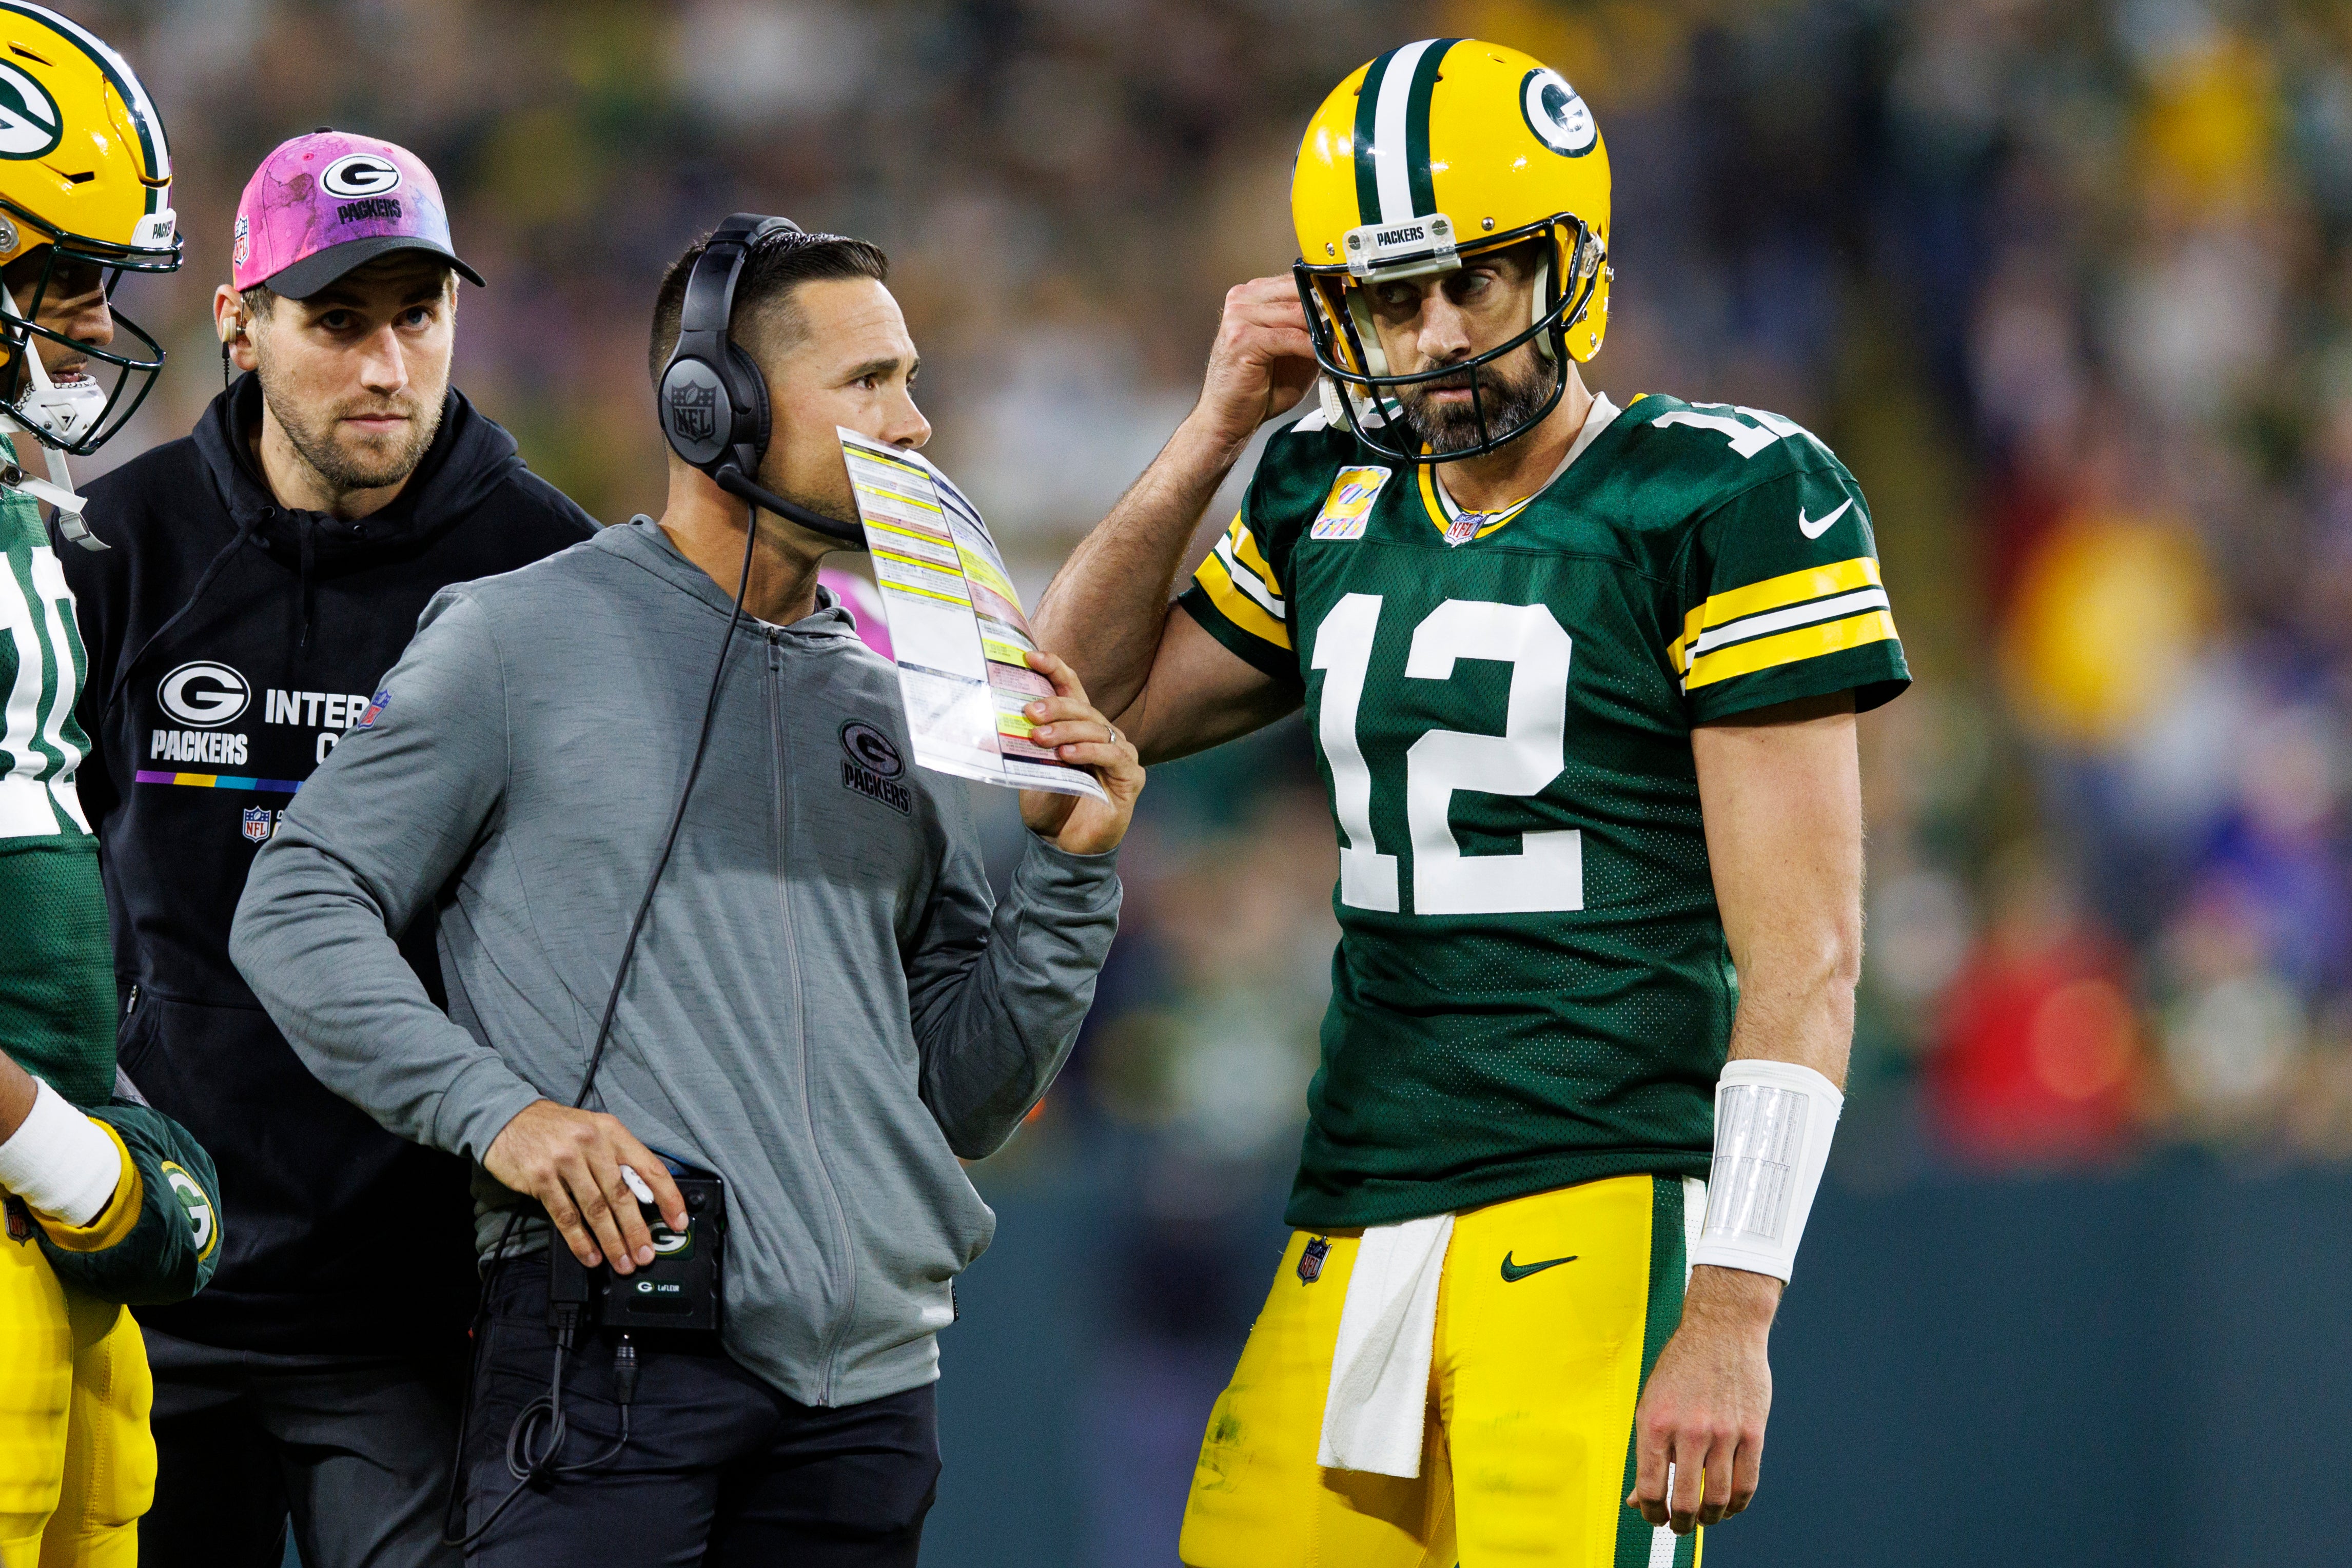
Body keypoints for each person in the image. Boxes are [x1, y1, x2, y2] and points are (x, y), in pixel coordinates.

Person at [1031, 38, 1909, 1568]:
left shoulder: (1724, 496)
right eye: (1389, 296)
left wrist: (1733, 1305)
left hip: (1595, 1202)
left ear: (1571, 271)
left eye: (1477, 283)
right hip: (1353, 1217)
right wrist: (1215, 428)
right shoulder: (1325, 490)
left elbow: (1810, 959)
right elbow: (1071, 712)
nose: (1436, 335)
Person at [228, 221, 1143, 1565]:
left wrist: (1070, 875)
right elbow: (298, 901)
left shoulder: (909, 693)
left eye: (910, 378)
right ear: (714, 407)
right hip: (611, 1360)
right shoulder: (516, 636)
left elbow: (960, 1096)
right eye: (871, 381)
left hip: (871, 1399)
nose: (919, 421)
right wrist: (500, 1115)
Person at [58, 130, 596, 1568]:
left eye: (418, 316)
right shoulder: (113, 546)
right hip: (156, 1277)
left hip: (413, 1316)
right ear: (239, 324)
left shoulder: (545, 568)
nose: (385, 366)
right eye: (337, 320)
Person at [0, 7, 224, 1565]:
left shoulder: (33, 512)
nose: (90, 326)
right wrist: (52, 1140)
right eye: (59, 276)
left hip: (52, 1245)